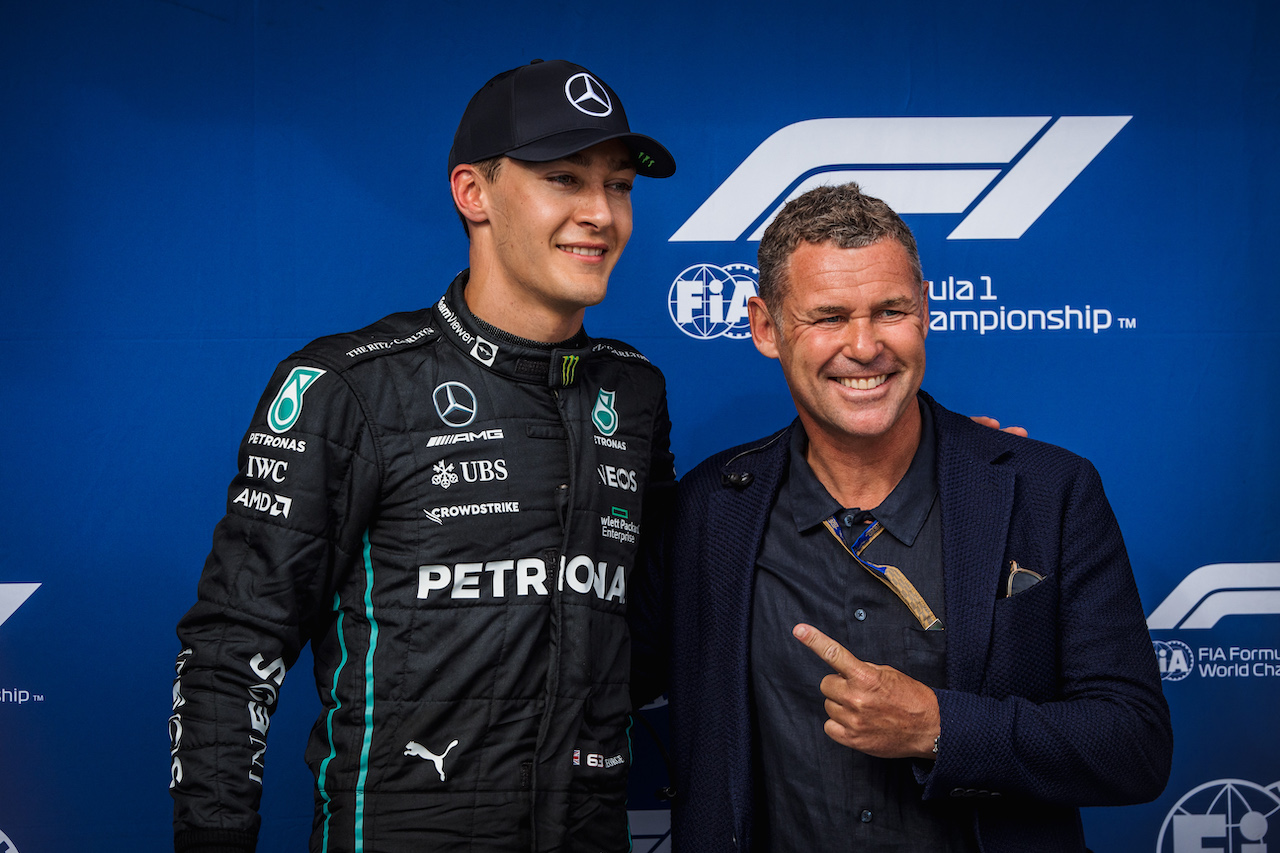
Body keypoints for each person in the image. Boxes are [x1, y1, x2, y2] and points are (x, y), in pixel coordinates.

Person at [169, 59, 677, 853]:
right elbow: (232, 651)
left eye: (618, 186)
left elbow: (636, 636)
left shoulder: (635, 392)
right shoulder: (351, 387)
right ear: (473, 193)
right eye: (565, 179)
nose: (601, 214)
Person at [629, 183, 1173, 853]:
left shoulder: (1049, 490)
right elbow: (600, 680)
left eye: (890, 310)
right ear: (765, 328)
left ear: (925, 310)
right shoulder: (707, 510)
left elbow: (1134, 744)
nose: (864, 346)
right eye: (828, 316)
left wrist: (940, 727)